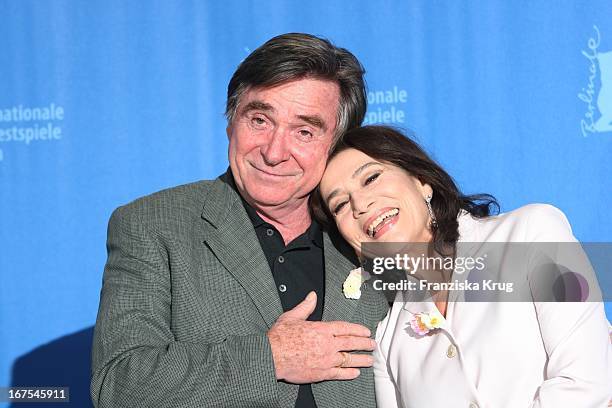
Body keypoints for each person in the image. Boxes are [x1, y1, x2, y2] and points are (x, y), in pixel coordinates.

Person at [90, 34, 389, 408]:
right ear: (231, 122)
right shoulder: (152, 224)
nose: (274, 152)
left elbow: (467, 314)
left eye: (304, 131)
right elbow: (119, 386)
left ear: (336, 144)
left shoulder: (369, 226)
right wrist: (271, 358)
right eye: (260, 120)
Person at [311, 125, 611, 407]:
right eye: (340, 205)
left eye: (371, 178)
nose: (360, 204)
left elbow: (585, 382)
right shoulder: (388, 341)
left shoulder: (532, 233)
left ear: (421, 181)